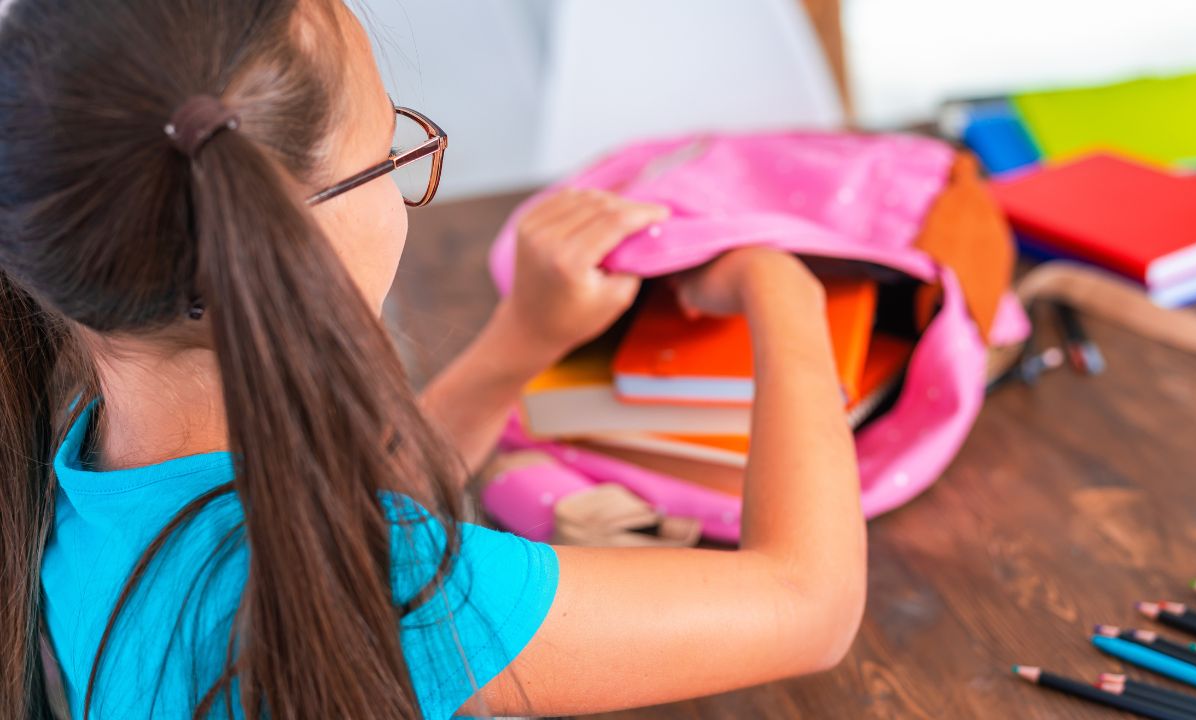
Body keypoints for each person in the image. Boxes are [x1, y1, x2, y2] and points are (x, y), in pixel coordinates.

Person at [0, 0, 866, 717]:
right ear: (282, 234)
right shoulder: (387, 595)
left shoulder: (73, 456)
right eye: (389, 152)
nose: (400, 177)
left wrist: (521, 343)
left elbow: (330, 515)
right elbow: (807, 608)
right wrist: (781, 283)